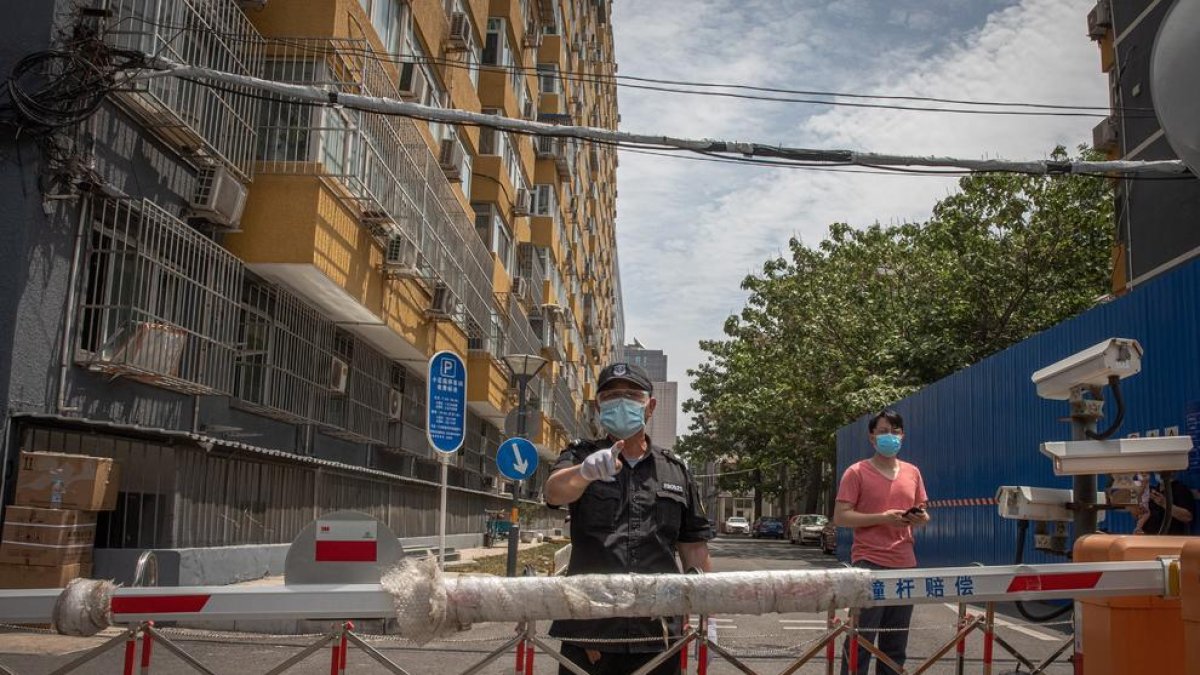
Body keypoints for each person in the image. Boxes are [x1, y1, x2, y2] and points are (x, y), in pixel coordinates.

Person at [544, 362, 714, 675]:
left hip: (658, 634)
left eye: (631, 395)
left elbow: (693, 548)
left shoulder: (675, 470)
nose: (620, 401)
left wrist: (709, 614)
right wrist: (584, 474)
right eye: (611, 395)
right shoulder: (581, 457)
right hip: (589, 633)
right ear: (598, 406)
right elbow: (554, 492)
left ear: (650, 407)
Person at [833, 409, 930, 675]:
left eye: (895, 431)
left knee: (895, 643)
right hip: (869, 563)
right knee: (861, 638)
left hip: (905, 563)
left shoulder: (912, 472)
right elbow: (841, 517)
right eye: (883, 431)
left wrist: (919, 519)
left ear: (903, 436)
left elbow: (922, 510)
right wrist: (883, 518)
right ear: (872, 437)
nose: (890, 436)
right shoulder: (857, 472)